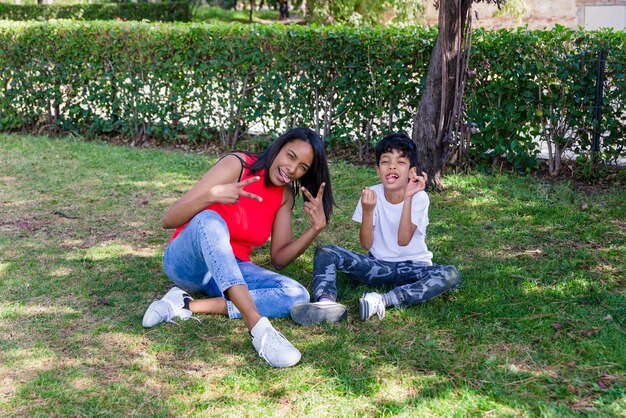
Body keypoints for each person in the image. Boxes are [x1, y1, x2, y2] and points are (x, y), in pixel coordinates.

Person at [142, 127, 334, 368]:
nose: (292, 169)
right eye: (290, 156)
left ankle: (185, 304)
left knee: (297, 294)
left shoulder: (285, 195)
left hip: (229, 271)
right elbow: (168, 220)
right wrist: (211, 196)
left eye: (302, 168)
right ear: (278, 147)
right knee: (210, 219)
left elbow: (279, 259)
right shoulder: (238, 165)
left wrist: (314, 229)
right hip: (188, 263)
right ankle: (258, 328)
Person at [290, 133, 459, 326]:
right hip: (377, 267)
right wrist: (368, 210)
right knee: (326, 251)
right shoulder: (371, 194)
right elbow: (366, 244)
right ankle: (326, 302)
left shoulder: (419, 198)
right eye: (385, 162)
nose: (392, 166)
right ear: (378, 170)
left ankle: (384, 300)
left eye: (400, 162)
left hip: (414, 268)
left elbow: (403, 239)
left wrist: (409, 197)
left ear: (412, 172)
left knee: (450, 273)